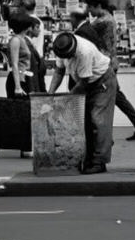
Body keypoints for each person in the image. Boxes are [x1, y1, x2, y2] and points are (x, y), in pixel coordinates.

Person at [76, 0, 135, 140]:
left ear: (98, 6)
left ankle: (106, 134)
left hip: (105, 64)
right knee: (117, 97)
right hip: (111, 61)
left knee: (106, 98)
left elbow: (83, 30)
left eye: (90, 7)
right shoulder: (109, 18)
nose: (89, 11)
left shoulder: (102, 22)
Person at [50, 29, 117, 173]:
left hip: (102, 82)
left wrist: (66, 100)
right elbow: (59, 71)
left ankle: (99, 162)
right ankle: (92, 154)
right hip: (86, 82)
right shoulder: (62, 47)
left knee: (98, 120)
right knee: (85, 122)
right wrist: (50, 94)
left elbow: (83, 83)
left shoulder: (84, 52)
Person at [6, 15, 44, 97]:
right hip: (18, 78)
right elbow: (15, 64)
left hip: (25, 77)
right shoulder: (16, 40)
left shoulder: (22, 40)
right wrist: (17, 87)